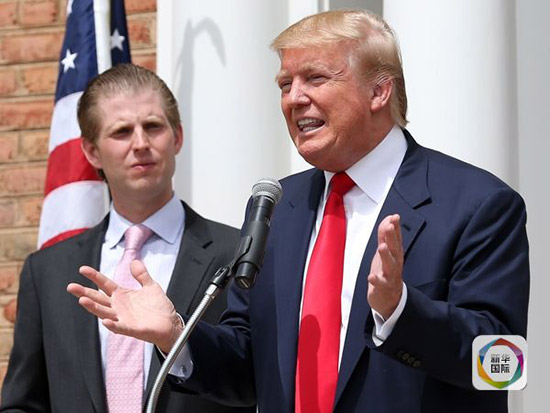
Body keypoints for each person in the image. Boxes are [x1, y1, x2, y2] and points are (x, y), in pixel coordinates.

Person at [67, 10, 530, 413]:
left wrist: (401, 312)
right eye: (285, 84)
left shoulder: (478, 204)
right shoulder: (278, 207)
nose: (293, 98)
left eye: (316, 78)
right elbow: (248, 366)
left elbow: (503, 365)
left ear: (379, 91)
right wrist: (175, 336)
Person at [0, 63, 255, 413]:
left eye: (153, 126)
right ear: (92, 152)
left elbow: (257, 380)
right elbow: (23, 403)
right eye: (121, 131)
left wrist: (176, 337)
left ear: (177, 137)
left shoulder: (239, 254)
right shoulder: (47, 271)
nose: (141, 143)